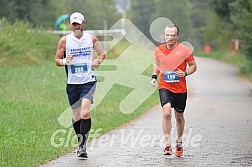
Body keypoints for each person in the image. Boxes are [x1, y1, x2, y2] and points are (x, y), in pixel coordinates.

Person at [55, 12, 105, 158]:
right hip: (72, 83)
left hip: (88, 81)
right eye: (74, 24)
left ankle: (83, 146)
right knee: (76, 114)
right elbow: (57, 60)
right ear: (71, 25)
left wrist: (98, 61)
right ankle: (80, 141)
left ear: (84, 24)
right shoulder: (64, 41)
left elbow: (102, 54)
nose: (76, 26)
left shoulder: (91, 39)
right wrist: (65, 61)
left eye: (79, 23)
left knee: (85, 111)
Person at [151, 25, 197, 157]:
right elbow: (158, 65)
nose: (169, 38)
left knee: (179, 116)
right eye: (167, 35)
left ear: (177, 36)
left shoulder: (184, 50)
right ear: (164, 36)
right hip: (165, 86)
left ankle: (179, 141)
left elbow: (193, 66)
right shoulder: (159, 50)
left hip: (180, 88)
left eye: (172, 35)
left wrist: (185, 73)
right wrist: (154, 77)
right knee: (166, 113)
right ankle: (167, 144)